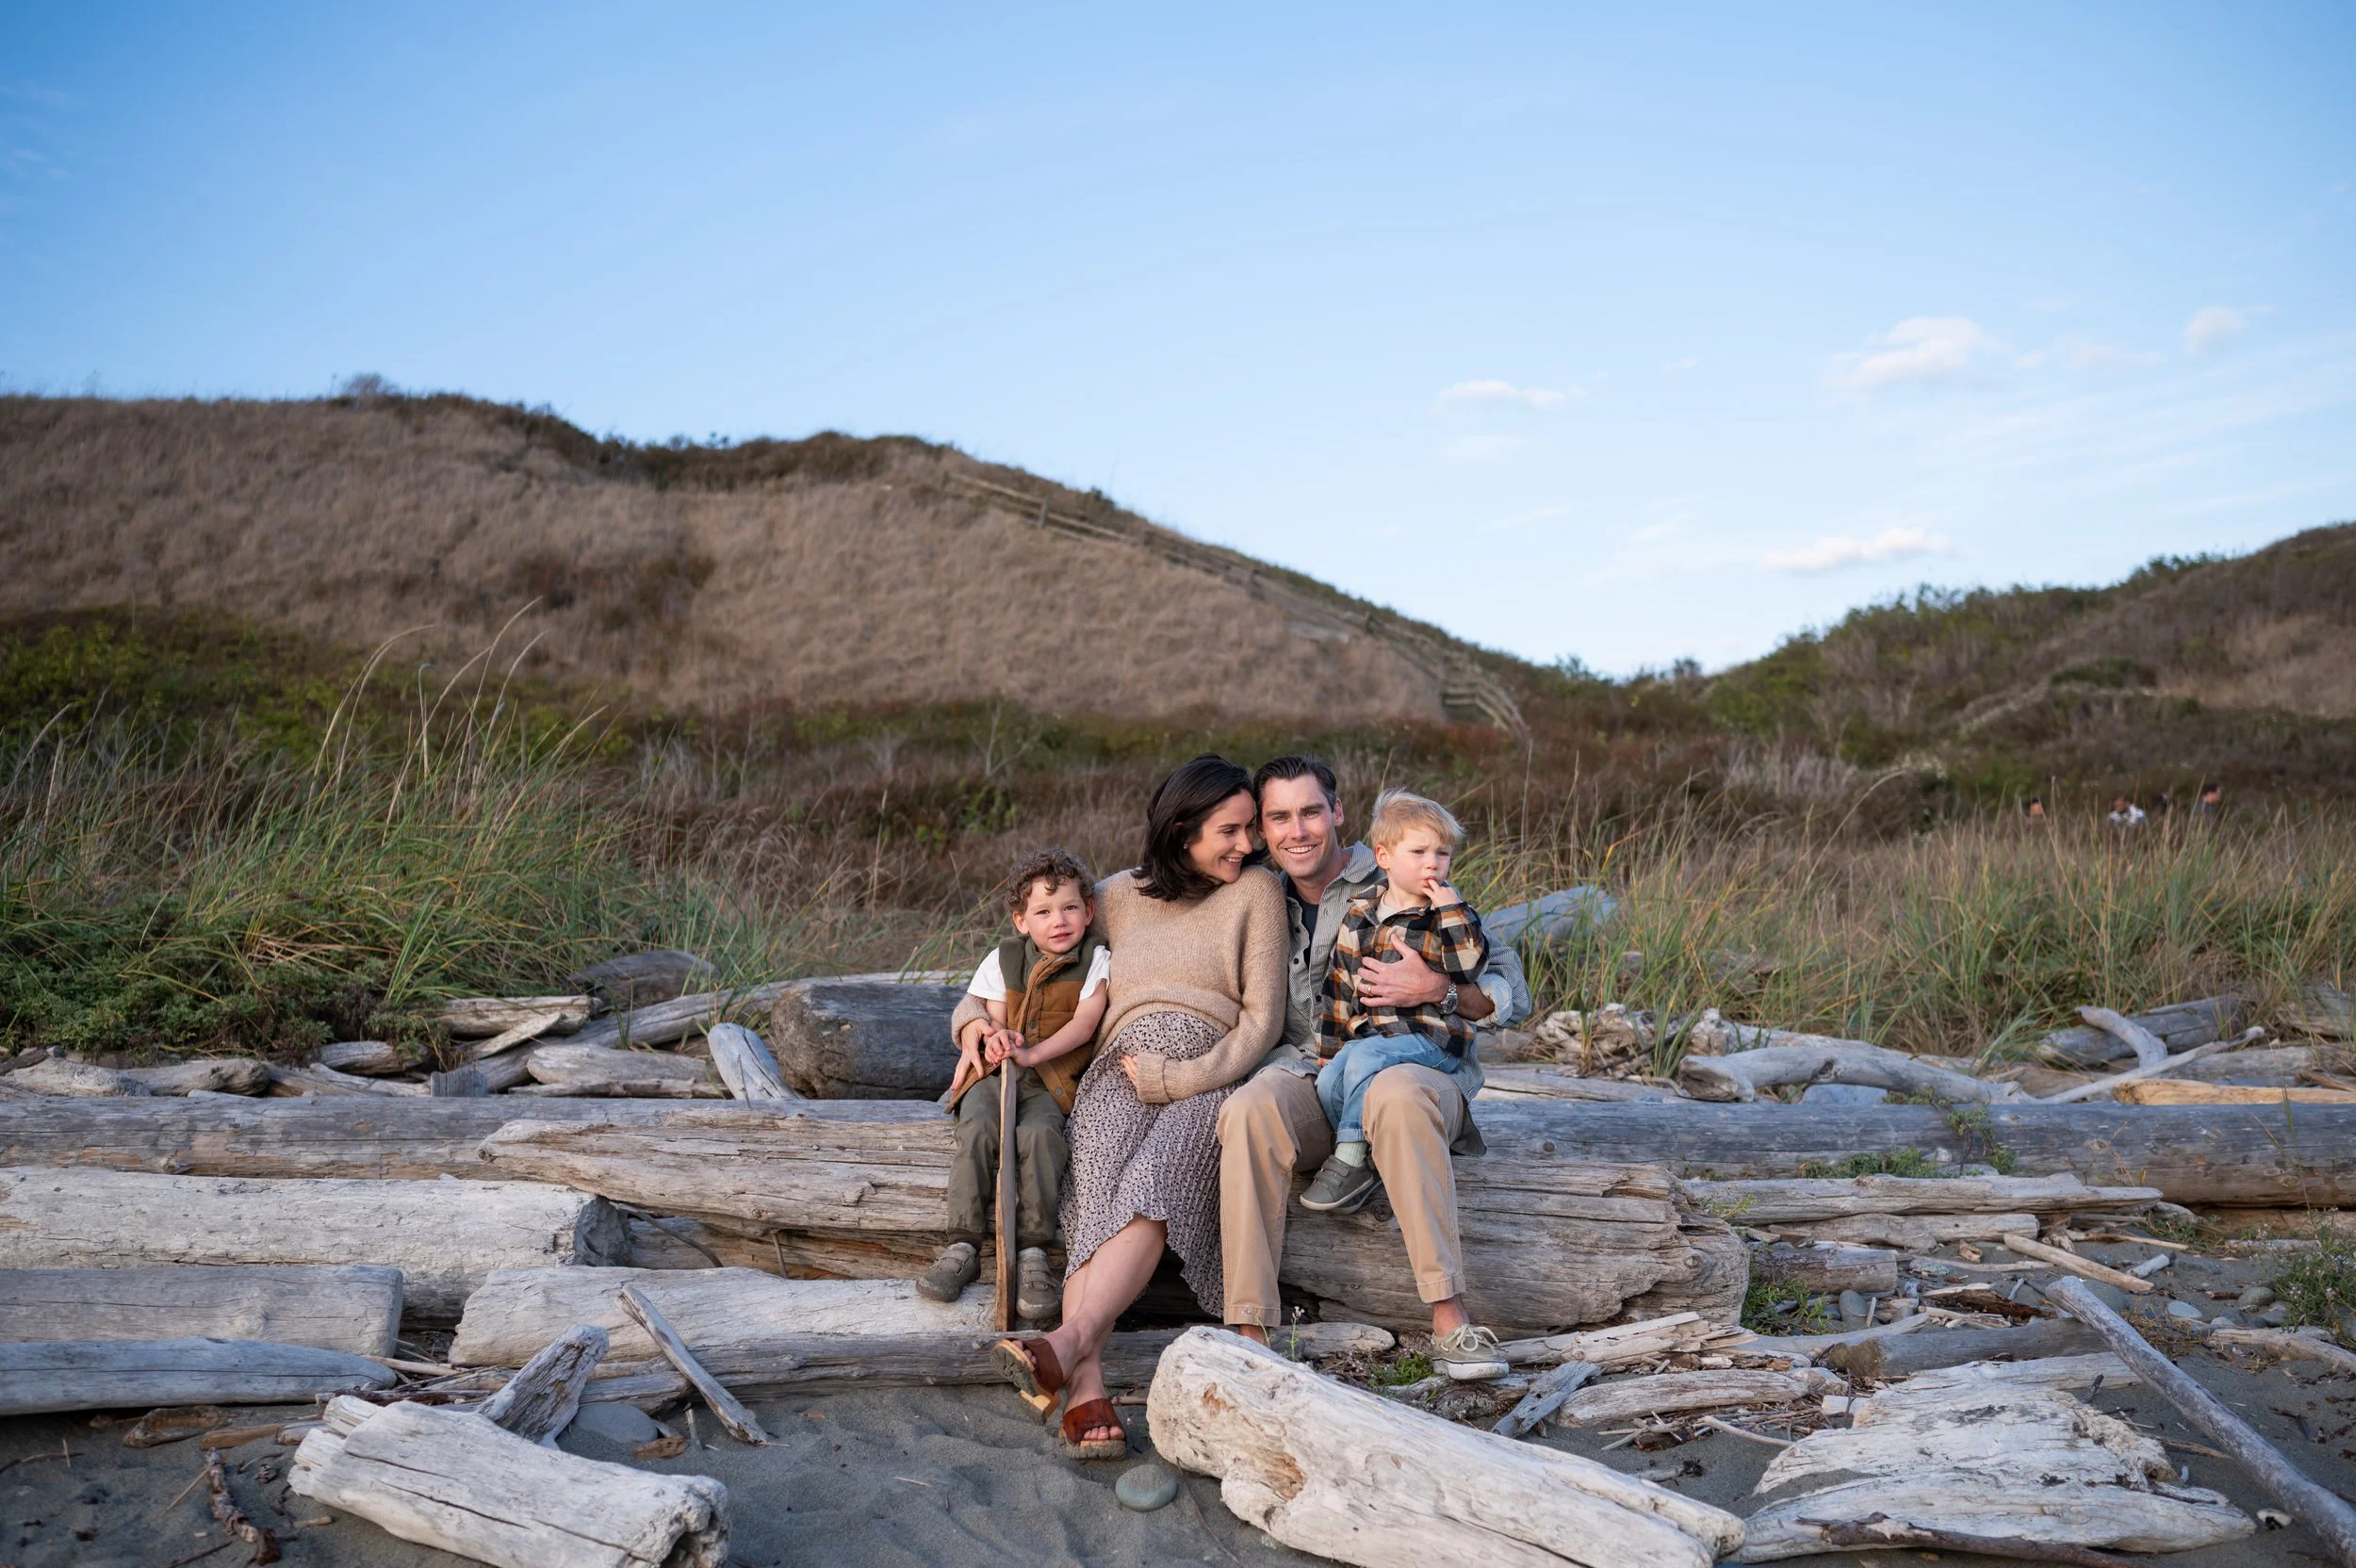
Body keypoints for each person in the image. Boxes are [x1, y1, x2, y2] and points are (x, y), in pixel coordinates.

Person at [983, 755, 1286, 1460]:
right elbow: (1023, 963)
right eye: (1230, 830)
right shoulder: (1113, 895)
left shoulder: (1257, 894)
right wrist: (971, 1019)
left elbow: (1261, 1022)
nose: (1249, 844)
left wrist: (1183, 1079)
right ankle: (1080, 1376)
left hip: (1209, 1069)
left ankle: (1068, 1350)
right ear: (1182, 830)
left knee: (1158, 1183)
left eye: (1249, 830)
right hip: (1115, 1068)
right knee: (1096, 1194)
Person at [1217, 755, 1530, 1383]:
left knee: (1395, 1090)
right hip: (1318, 1073)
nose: (1296, 831)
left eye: (1310, 812)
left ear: (1337, 813)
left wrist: (1435, 988)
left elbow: (1512, 996)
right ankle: (1250, 1332)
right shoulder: (1256, 896)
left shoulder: (1405, 869)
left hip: (1414, 1068)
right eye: (1279, 817)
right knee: (1250, 1107)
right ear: (1263, 829)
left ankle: (1451, 1322)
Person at [924, 849, 1109, 1322]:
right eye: (1043, 912)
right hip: (997, 1077)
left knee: (1040, 1138)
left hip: (1051, 1082)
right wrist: (998, 1039)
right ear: (1022, 921)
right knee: (979, 1130)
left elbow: (1085, 1024)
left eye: (1070, 908)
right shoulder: (1004, 958)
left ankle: (1032, 1252)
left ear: (1088, 911)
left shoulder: (1095, 960)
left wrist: (1032, 1054)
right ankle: (962, 1243)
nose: (1059, 921)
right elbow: (992, 1021)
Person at [1301, 790, 1488, 1215]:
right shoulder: (1360, 914)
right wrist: (1330, 1053)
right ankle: (1366, 1153)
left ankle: (1349, 1155)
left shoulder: (1450, 913)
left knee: (1365, 1057)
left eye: (1442, 853)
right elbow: (1339, 987)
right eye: (1419, 851)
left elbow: (1469, 965)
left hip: (1432, 1039)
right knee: (1332, 1081)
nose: (1433, 863)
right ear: (1383, 856)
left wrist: (1453, 911)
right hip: (1373, 1038)